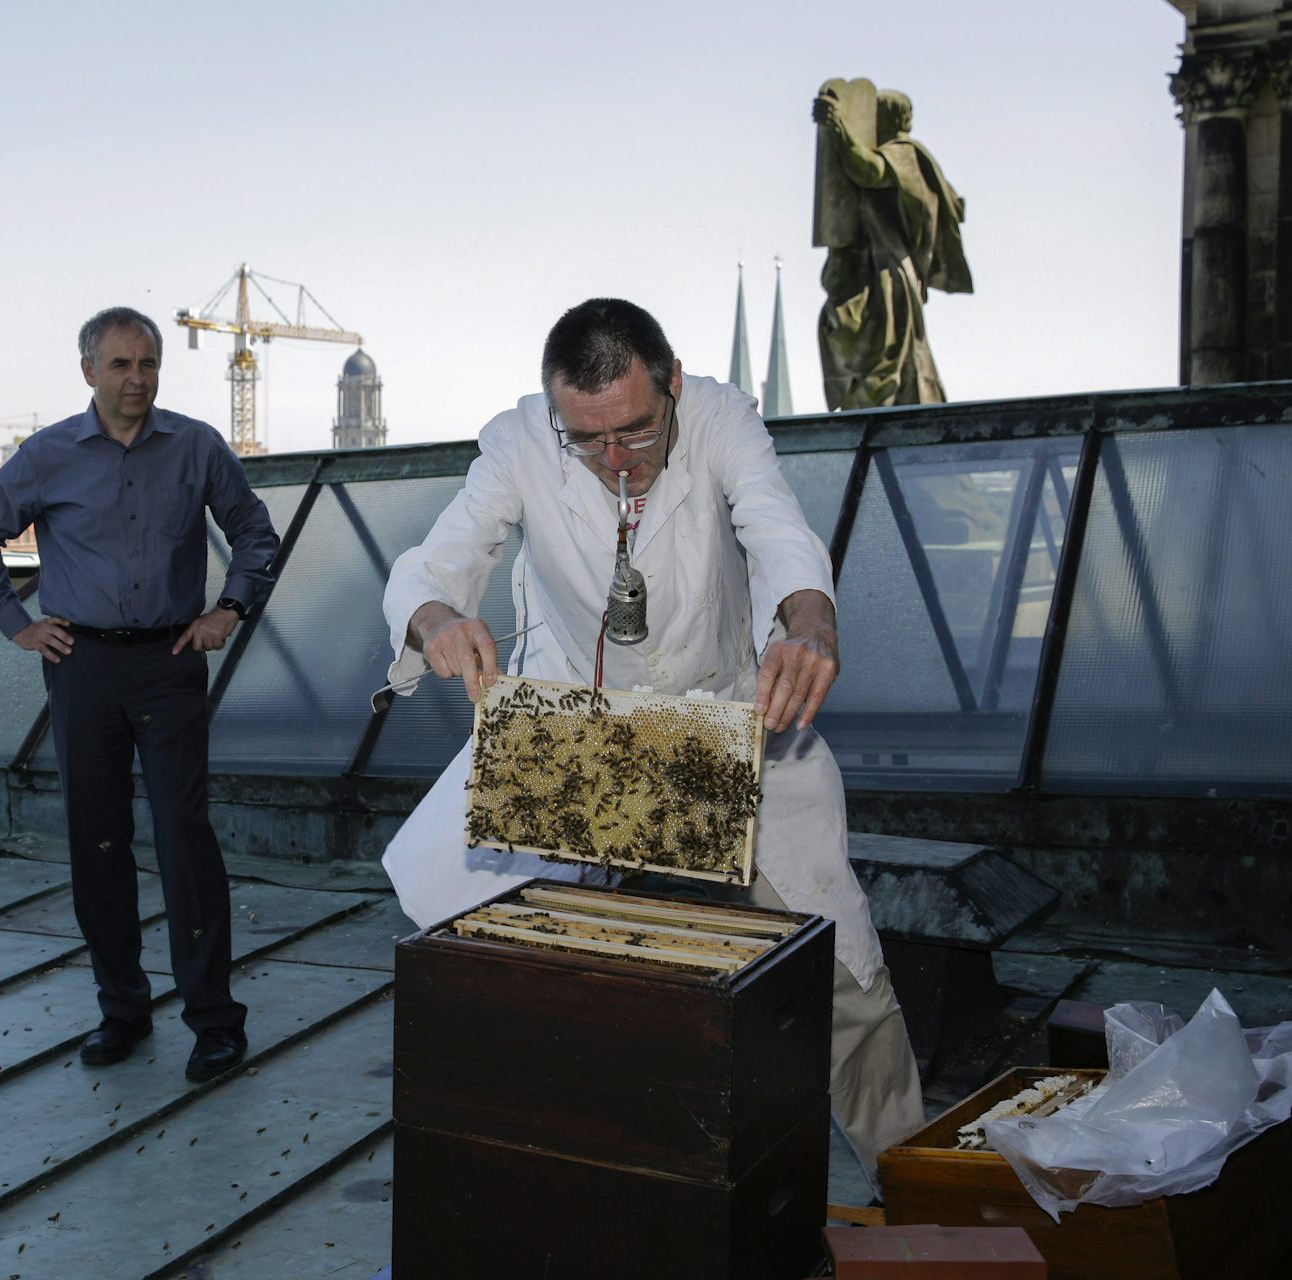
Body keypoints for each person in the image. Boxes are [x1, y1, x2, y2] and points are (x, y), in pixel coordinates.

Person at [379, 298, 924, 1186]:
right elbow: (432, 567)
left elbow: (778, 531)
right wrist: (437, 618)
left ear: (671, 384)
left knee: (841, 972)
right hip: (582, 738)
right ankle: (568, 1177)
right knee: (504, 958)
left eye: (635, 431)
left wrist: (811, 622)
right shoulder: (520, 441)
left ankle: (918, 1187)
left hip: (729, 725)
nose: (617, 460)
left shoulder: (721, 418)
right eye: (588, 440)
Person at [0, 306, 278, 1081]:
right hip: (83, 667)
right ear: (88, 371)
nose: (137, 379)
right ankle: (122, 1011)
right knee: (96, 842)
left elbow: (256, 534)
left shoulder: (198, 446)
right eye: (121, 365)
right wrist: (17, 624)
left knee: (184, 840)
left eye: (148, 364)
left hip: (171, 662)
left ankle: (214, 1021)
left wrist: (228, 610)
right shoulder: (47, 455)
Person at [813, 85, 972, 410]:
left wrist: (839, 126)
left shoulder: (905, 154)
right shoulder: (900, 156)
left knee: (883, 356)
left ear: (888, 118)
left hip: (890, 274)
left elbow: (870, 171)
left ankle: (885, 420)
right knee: (857, 339)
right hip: (880, 269)